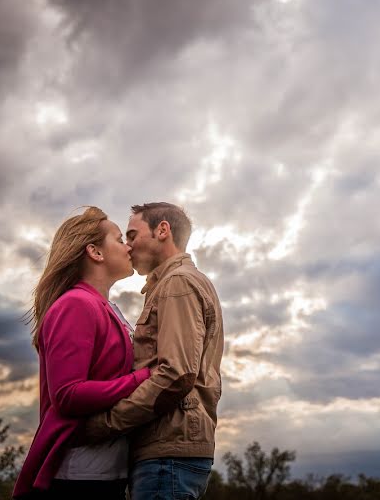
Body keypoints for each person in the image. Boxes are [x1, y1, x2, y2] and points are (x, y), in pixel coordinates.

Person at [82, 202, 224, 500]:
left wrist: (106, 424)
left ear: (162, 230)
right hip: (170, 453)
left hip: (167, 454)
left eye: (132, 235)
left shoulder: (177, 284)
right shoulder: (175, 283)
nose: (129, 246)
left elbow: (176, 373)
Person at [14, 207, 150, 499]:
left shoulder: (104, 307)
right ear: (95, 252)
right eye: (118, 239)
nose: (128, 246)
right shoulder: (75, 304)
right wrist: (143, 379)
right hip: (78, 476)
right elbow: (68, 394)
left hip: (107, 472)